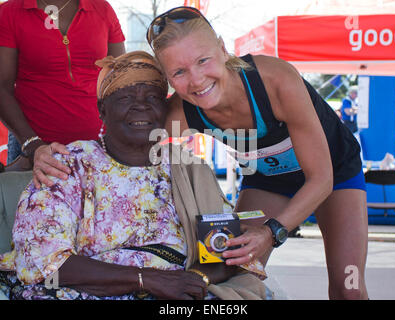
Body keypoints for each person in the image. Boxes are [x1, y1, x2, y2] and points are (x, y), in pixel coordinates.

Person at [29, 6, 369, 300]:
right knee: (238, 271)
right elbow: (122, 135)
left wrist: (272, 233)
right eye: (179, 72)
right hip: (267, 180)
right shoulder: (180, 113)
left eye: (203, 60)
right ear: (168, 78)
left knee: (348, 285)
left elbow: (320, 179)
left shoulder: (275, 80)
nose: (196, 81)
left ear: (222, 48)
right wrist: (51, 155)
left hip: (332, 174)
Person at [0, 51, 267, 300]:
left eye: (152, 98)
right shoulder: (69, 166)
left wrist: (189, 279)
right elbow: (45, 263)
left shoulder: (187, 167)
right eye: (126, 97)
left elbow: (224, 254)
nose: (141, 107)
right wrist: (147, 280)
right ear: (102, 109)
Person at [0, 0, 125, 167]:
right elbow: (2, 87)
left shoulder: (102, 8)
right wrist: (33, 146)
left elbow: (122, 79)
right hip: (36, 153)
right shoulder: (10, 12)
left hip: (100, 151)